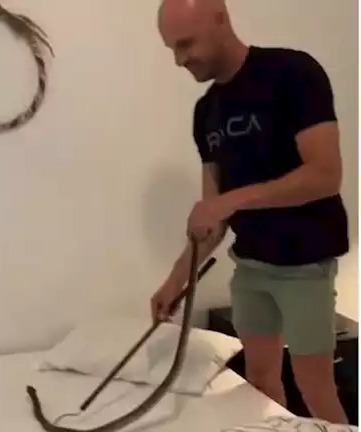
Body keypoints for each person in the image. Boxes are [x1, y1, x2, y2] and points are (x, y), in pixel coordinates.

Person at [152, 0, 348, 424]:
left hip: (305, 267)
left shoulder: (293, 73)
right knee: (259, 380)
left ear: (220, 19)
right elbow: (213, 219)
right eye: (172, 49)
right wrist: (174, 281)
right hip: (252, 268)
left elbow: (325, 174)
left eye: (186, 44)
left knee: (314, 386)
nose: (179, 60)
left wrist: (230, 200)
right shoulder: (206, 112)